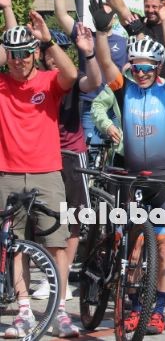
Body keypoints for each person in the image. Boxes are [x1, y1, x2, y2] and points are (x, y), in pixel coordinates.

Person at [93, 0, 165, 335]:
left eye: (148, 68)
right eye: (137, 67)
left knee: (164, 248)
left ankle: (158, 309)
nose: (142, 73)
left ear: (157, 68)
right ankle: (135, 304)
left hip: (164, 179)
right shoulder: (125, 89)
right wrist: (101, 33)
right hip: (132, 178)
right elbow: (106, 64)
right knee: (134, 248)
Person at [0, 16, 79, 339]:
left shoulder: (48, 81)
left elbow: (71, 74)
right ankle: (23, 312)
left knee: (56, 243)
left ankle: (59, 312)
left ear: (35, 53)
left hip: (47, 172)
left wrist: (47, 41)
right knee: (15, 245)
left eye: (25, 53)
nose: (19, 61)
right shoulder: (2, 83)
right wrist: (8, 33)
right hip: (8, 174)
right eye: (13, 54)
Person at [32, 27, 101, 312]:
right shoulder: (35, 80)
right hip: (41, 154)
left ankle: (62, 275)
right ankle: (50, 273)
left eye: (57, 52)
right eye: (48, 53)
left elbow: (94, 82)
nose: (53, 58)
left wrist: (89, 53)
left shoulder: (72, 79)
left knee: (74, 217)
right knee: (42, 217)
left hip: (72, 153)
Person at [51, 0, 127, 147]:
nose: (102, 17)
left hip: (116, 106)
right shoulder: (85, 36)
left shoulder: (124, 41)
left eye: (107, 14)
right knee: (91, 149)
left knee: (118, 151)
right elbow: (61, 16)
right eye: (98, 14)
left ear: (114, 18)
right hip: (91, 102)